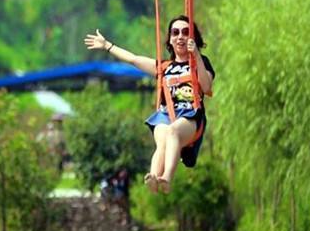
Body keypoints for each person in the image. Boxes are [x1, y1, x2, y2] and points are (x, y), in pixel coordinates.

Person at [83, 15, 215, 194]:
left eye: (185, 32)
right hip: (166, 113)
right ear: (169, 38)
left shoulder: (201, 62)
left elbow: (206, 87)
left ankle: (166, 177)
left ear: (193, 38)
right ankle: (153, 176)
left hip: (190, 115)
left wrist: (196, 55)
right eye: (175, 33)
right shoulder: (163, 67)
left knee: (173, 131)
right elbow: (133, 59)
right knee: (162, 139)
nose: (180, 37)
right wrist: (107, 45)